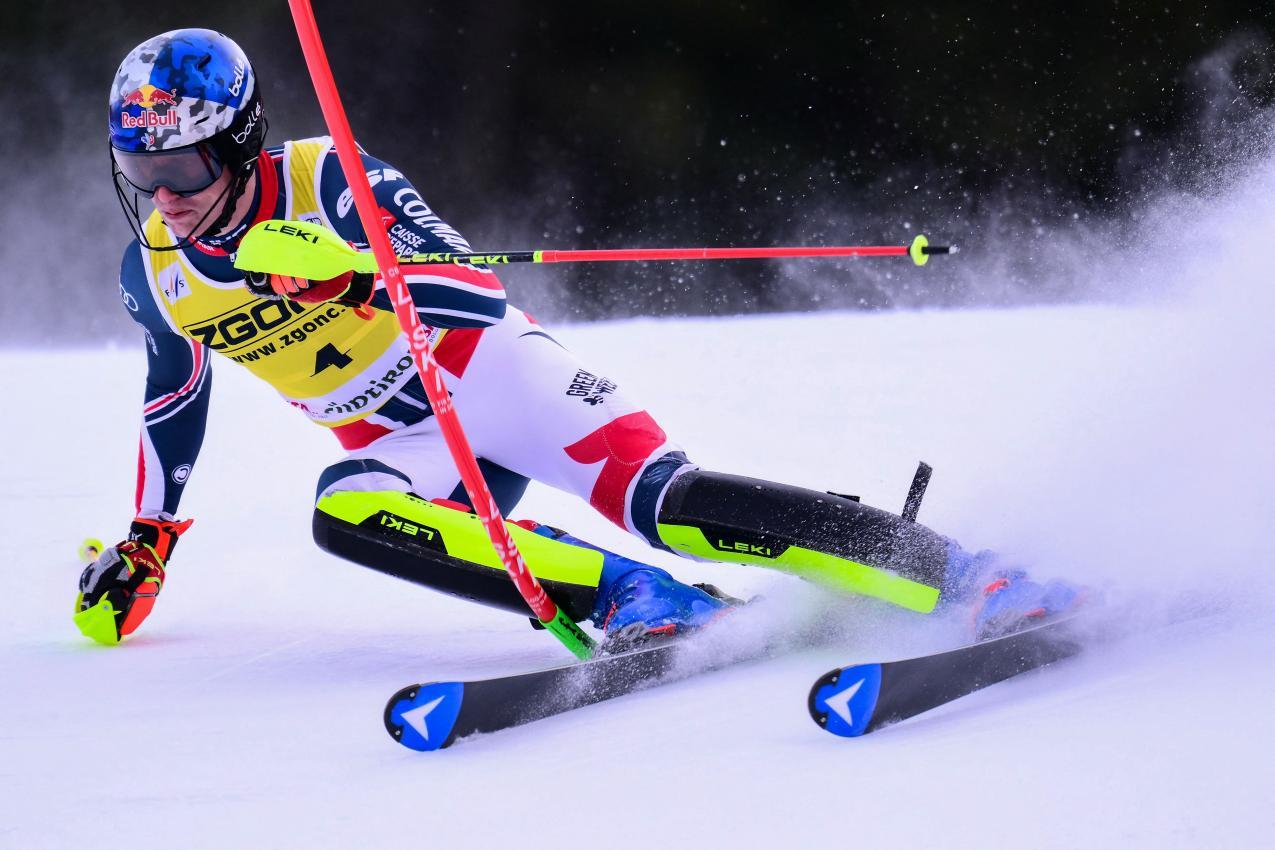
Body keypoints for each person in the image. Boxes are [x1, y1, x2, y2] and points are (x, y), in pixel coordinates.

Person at [76, 28, 1080, 649]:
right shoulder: (155, 273)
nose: (165, 201)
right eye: (139, 171)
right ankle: (643, 600)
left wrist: (348, 265)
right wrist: (149, 543)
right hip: (401, 441)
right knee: (346, 513)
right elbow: (174, 396)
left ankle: (967, 572)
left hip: (494, 373)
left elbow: (464, 283)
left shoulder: (330, 175)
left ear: (242, 142)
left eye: (187, 169)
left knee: (670, 501)